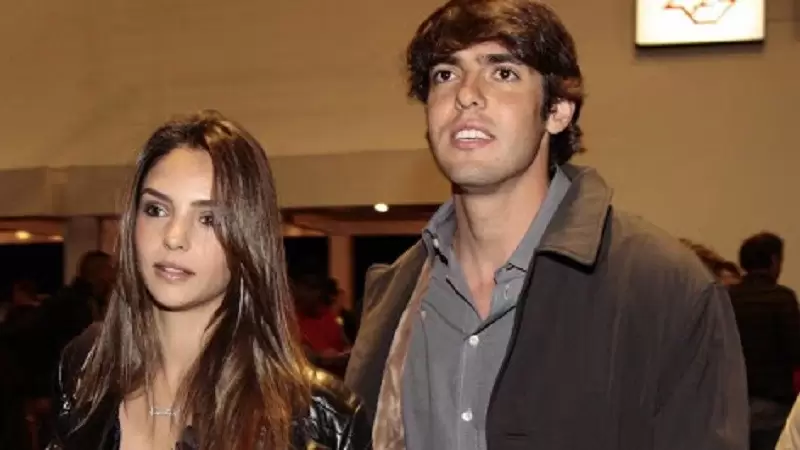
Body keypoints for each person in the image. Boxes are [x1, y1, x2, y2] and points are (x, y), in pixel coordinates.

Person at [344, 1, 748, 449]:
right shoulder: (392, 299)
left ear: (557, 110)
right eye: (445, 74)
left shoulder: (664, 288)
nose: (466, 94)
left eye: (503, 73)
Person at [46, 111, 371, 450]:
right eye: (156, 209)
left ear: (247, 237)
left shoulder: (321, 420)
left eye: (208, 218)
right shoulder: (84, 369)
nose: (174, 237)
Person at [729, 232, 800, 449]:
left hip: (734, 405)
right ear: (773, 260)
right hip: (773, 405)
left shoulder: (728, 297)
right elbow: (796, 350)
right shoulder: (782, 298)